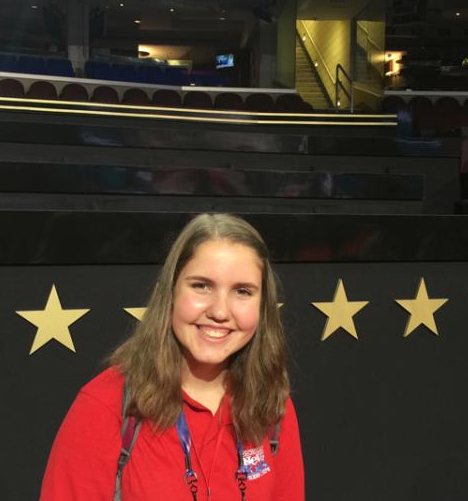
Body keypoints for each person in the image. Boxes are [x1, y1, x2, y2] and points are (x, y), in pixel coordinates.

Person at [40, 213, 304, 500]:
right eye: (201, 285)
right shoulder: (107, 406)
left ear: (262, 306)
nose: (219, 311)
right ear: (170, 292)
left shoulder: (272, 404)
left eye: (242, 291)